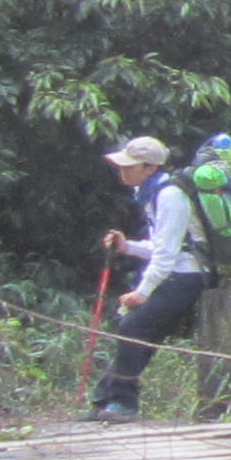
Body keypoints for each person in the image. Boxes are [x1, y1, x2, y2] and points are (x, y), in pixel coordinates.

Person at [87, 132, 204, 422]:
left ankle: (122, 403)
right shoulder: (154, 193)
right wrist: (127, 246)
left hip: (186, 275)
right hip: (178, 271)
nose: (123, 171)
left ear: (151, 167)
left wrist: (143, 291)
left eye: (130, 166)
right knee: (137, 330)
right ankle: (107, 400)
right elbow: (162, 247)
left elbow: (167, 254)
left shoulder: (170, 196)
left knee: (132, 327)